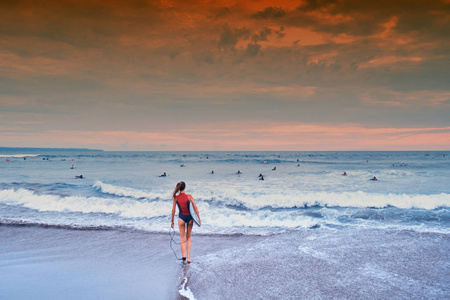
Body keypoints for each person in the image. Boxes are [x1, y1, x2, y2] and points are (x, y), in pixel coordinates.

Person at [171, 181, 201, 264]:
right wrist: (199, 219)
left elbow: (173, 210)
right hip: (190, 218)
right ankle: (188, 258)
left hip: (181, 218)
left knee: (182, 238)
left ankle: (183, 258)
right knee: (188, 238)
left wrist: (172, 221)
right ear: (185, 188)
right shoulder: (189, 196)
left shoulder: (176, 197)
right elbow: (195, 208)